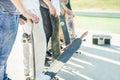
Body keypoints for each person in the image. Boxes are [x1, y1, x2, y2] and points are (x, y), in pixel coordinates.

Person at [0, 0, 39, 80]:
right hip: (5, 14)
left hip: (11, 14)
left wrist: (21, 14)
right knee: (2, 55)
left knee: (4, 54)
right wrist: (24, 13)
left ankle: (3, 77)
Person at [19, 0, 51, 80]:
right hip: (29, 10)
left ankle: (28, 70)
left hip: (28, 9)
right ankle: (36, 75)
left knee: (29, 42)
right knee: (38, 44)